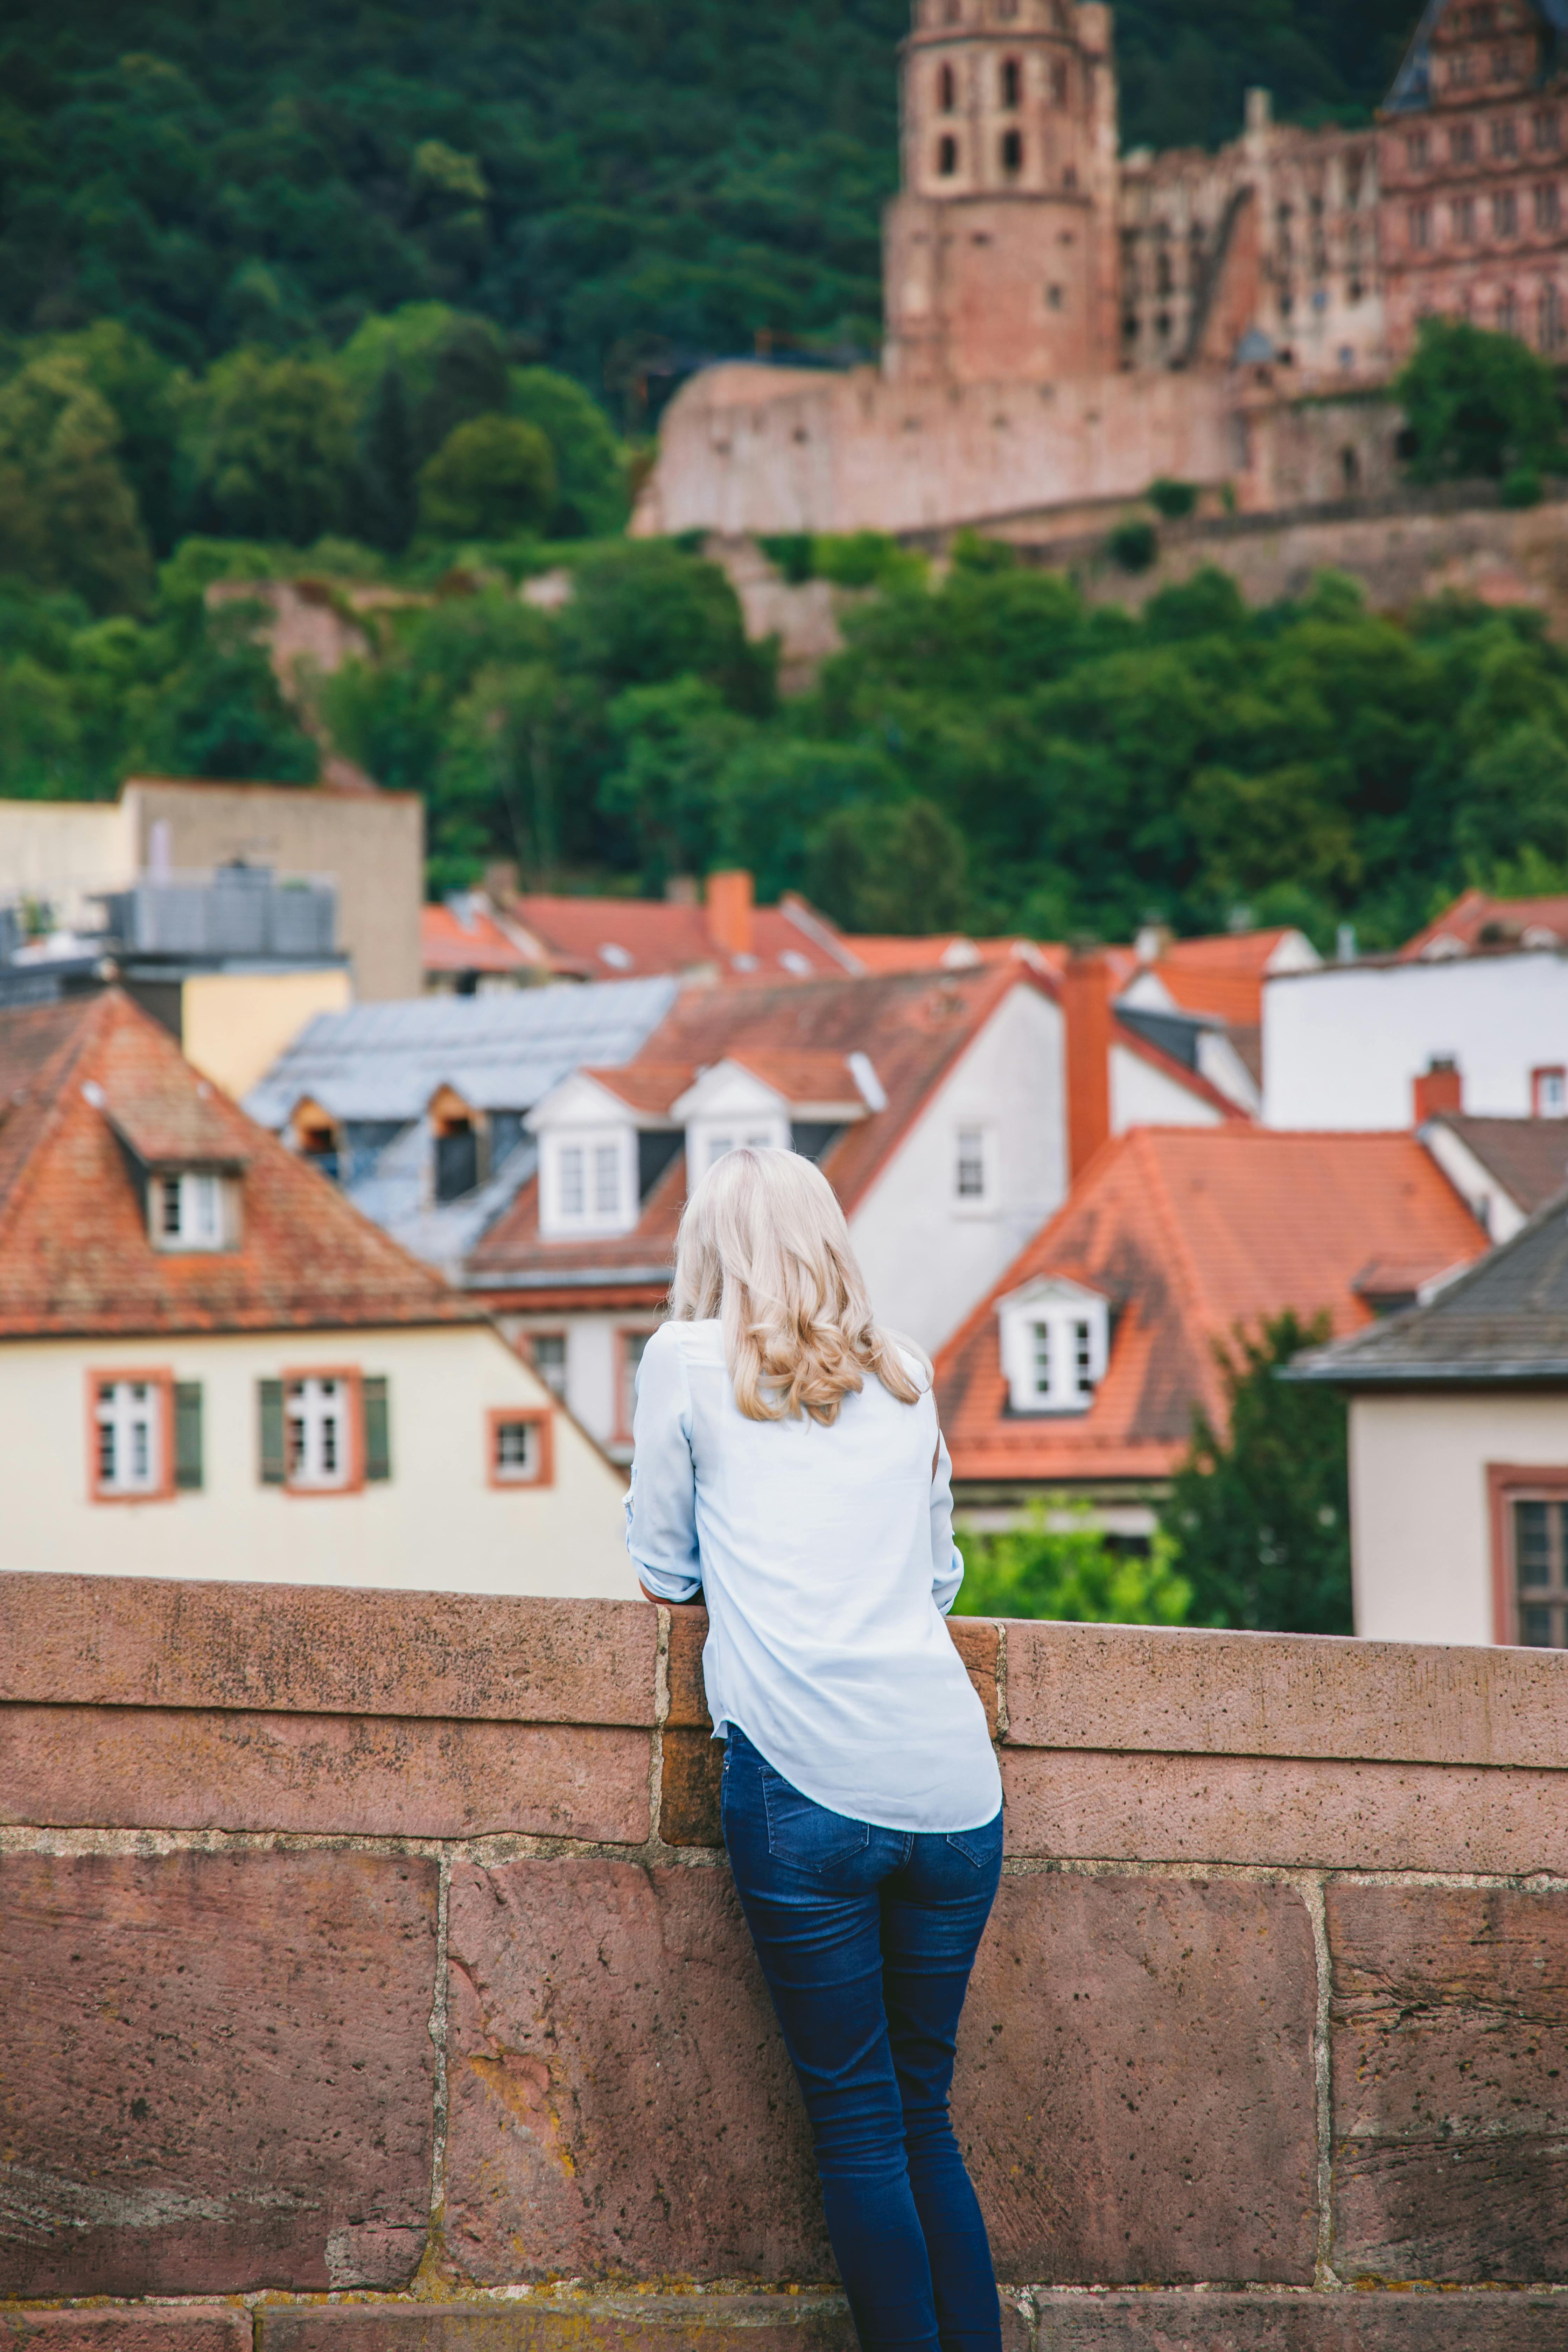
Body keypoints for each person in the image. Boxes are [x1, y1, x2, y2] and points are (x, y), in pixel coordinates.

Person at [625, 1145, 1004, 2352]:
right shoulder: (906, 1373)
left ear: (709, 1248)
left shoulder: (685, 1361)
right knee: (924, 2116)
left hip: (803, 1779)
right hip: (953, 1788)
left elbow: (662, 1567)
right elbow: (943, 1574)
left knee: (855, 2125)